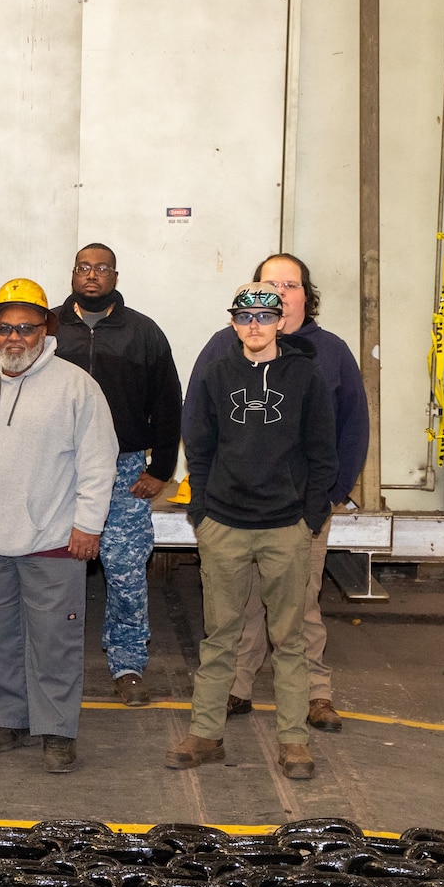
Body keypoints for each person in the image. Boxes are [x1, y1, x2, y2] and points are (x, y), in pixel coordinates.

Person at [0, 279, 118, 774]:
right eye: (6, 327)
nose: (16, 337)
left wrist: (88, 524)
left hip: (54, 539)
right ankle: (8, 720)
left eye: (27, 328)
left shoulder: (77, 386)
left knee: (54, 641)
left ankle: (57, 732)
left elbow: (100, 463)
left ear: (45, 330)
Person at [191, 254, 368, 733]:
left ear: (304, 296)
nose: (280, 293)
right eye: (270, 284)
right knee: (238, 605)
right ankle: (237, 686)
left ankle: (316, 694)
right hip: (232, 512)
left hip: (298, 510)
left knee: (299, 606)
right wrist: (203, 507)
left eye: (290, 285)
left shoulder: (327, 352)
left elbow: (352, 425)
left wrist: (325, 499)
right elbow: (199, 424)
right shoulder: (222, 350)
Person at [172, 283, 338, 780]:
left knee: (288, 640)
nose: (255, 326)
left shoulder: (306, 376)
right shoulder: (217, 375)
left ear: (282, 322)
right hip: (224, 524)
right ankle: (206, 734)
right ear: (233, 323)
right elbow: (198, 445)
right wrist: (202, 510)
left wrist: (309, 519)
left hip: (286, 527)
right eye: (245, 318)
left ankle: (294, 742)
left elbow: (322, 454)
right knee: (219, 635)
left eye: (265, 317)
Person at [51, 244, 182, 706]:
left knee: (125, 571)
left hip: (122, 470)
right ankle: (50, 665)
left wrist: (161, 469)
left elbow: (168, 403)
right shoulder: (47, 328)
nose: (92, 275)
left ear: (115, 276)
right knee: (51, 570)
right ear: (73, 274)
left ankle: (127, 665)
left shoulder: (142, 332)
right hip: (56, 468)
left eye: (102, 268)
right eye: (84, 268)